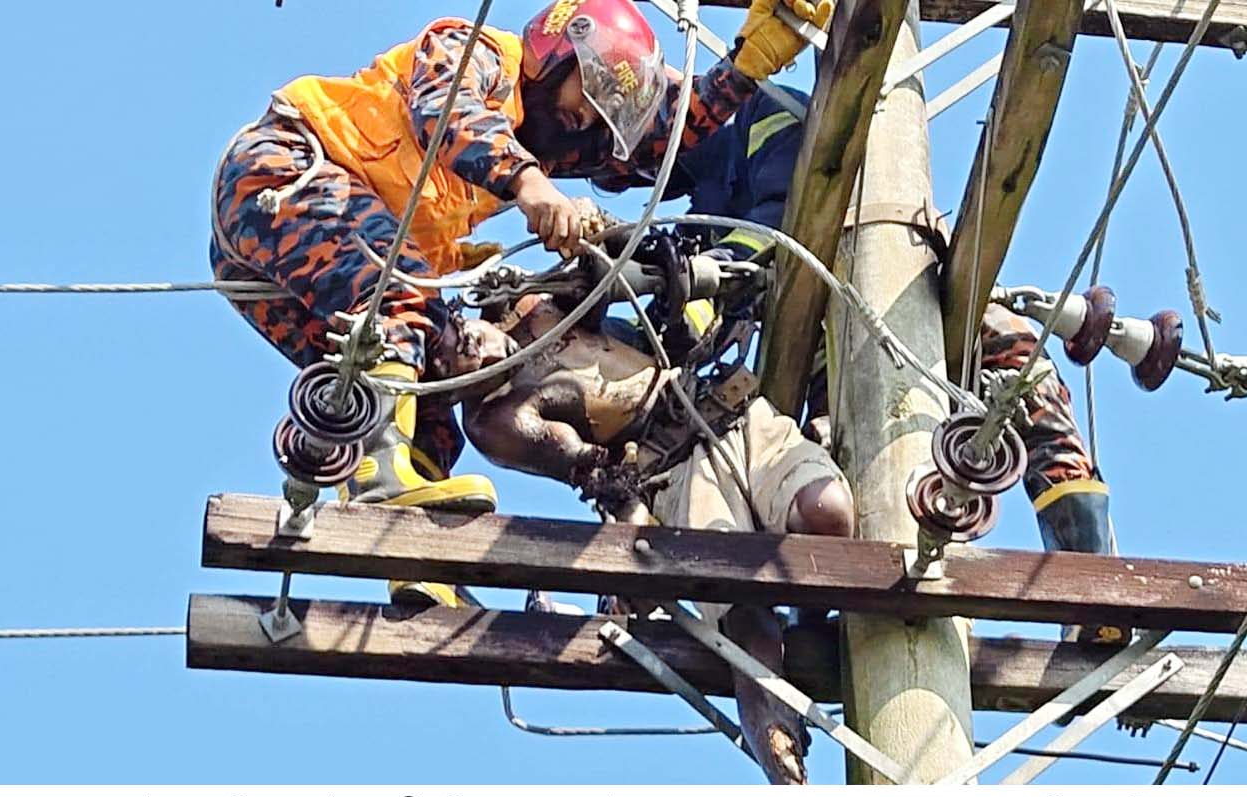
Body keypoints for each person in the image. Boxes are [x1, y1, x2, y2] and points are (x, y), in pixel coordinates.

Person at [209, 0, 829, 610]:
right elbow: (446, 114)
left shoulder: (552, 133)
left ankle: (419, 562)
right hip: (285, 171)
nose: (586, 117)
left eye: (600, 112)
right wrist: (532, 187)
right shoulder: (476, 53)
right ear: (556, 56)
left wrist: (744, 69)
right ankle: (377, 477)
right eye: (587, 96)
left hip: (288, 247)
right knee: (401, 300)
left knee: (439, 379)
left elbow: (659, 141)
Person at [651, 85, 1127, 646]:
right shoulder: (698, 212)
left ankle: (1090, 580)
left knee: (1025, 379)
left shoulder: (761, 111)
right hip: (830, 340)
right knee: (833, 462)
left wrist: (706, 273)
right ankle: (824, 616)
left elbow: (775, 212)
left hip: (908, 281)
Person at [462, 290, 852, 785]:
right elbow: (582, 462)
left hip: (729, 412)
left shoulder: (532, 303)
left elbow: (604, 282)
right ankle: (788, 775)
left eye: (453, 337)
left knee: (827, 514)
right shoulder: (494, 418)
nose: (467, 353)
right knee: (744, 615)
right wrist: (627, 516)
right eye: (447, 365)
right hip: (672, 476)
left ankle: (810, 617)